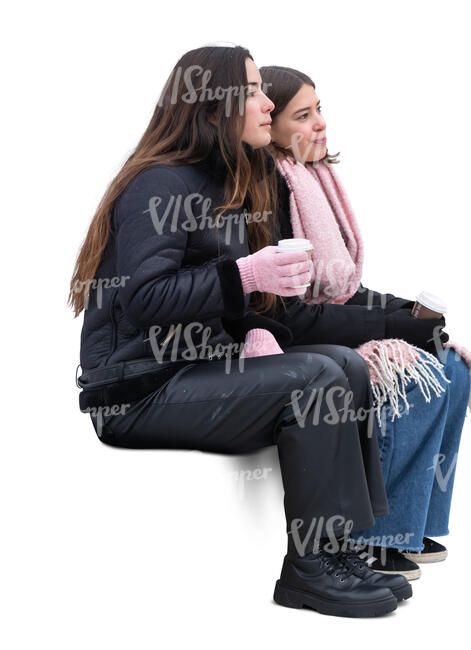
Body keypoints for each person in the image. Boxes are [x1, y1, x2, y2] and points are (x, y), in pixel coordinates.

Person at [68, 45, 413, 617]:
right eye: (253, 91)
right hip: (136, 389)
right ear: (210, 110)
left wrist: (258, 305)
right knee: (313, 379)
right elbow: (144, 298)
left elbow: (220, 301)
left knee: (346, 364)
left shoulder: (223, 183)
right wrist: (247, 273)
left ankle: (342, 548)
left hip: (193, 369)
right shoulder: (160, 185)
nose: (267, 102)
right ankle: (309, 571)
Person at [254, 64, 471, 579]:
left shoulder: (316, 179)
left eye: (319, 110)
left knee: (455, 369)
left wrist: (403, 313)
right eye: (303, 116)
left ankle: (407, 522)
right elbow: (291, 312)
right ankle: (372, 538)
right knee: (413, 374)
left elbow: (344, 290)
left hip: (323, 324)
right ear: (271, 128)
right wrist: (394, 329)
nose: (320, 125)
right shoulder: (269, 190)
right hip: (280, 338)